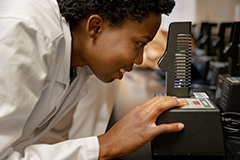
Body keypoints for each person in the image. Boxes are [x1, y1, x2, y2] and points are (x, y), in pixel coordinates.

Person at [0, 0, 187, 159]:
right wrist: (107, 144)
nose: (139, 60)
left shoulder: (78, 61)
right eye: (139, 44)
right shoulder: (24, 31)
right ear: (95, 27)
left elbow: (38, 142)